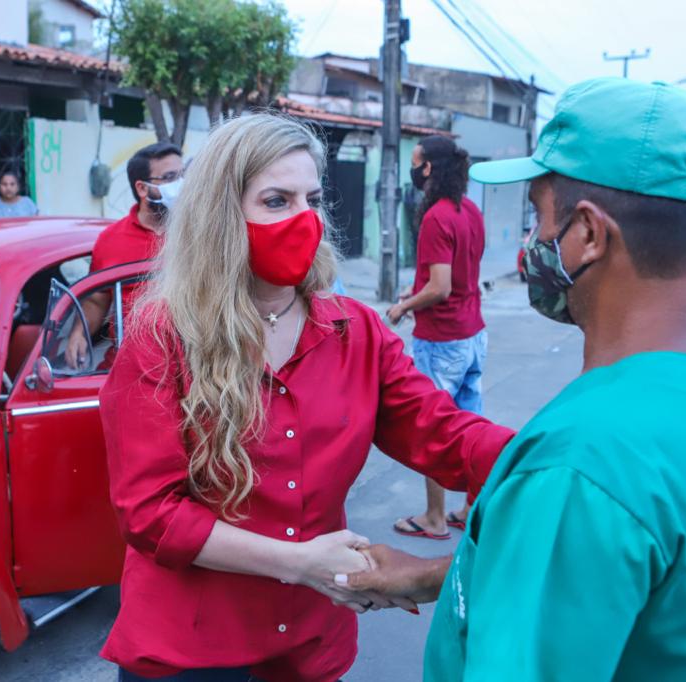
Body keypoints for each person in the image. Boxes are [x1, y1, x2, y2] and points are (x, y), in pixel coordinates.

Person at [340, 78, 686, 682]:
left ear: (587, 234)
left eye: (538, 213)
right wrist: (434, 574)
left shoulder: (577, 466)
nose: (534, 240)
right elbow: (639, 586)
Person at [98, 113, 515, 681]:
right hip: (191, 646)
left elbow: (445, 432)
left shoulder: (355, 331)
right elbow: (151, 512)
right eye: (276, 201)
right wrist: (298, 562)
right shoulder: (161, 336)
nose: (304, 218)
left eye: (312, 200)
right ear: (221, 215)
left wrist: (550, 461)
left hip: (309, 643)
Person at [387, 135, 484, 540]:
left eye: (415, 163)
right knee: (471, 426)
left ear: (427, 168)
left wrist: (402, 308)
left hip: (442, 340)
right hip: (473, 334)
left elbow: (441, 287)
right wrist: (415, 292)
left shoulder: (436, 217)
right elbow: (457, 276)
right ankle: (470, 510)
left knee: (434, 428)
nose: (413, 170)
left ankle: (434, 518)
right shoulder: (470, 210)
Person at [64, 142, 184, 369]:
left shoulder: (197, 231)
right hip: (130, 365)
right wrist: (79, 333)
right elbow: (97, 300)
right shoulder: (112, 239)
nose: (181, 184)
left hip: (187, 363)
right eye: (170, 177)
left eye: (183, 174)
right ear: (142, 188)